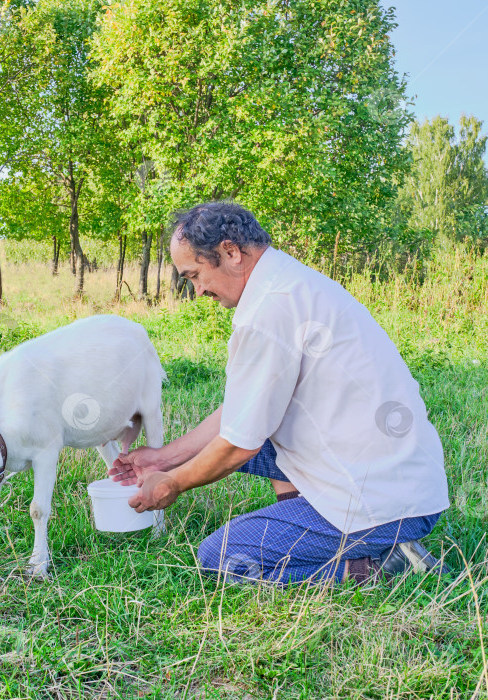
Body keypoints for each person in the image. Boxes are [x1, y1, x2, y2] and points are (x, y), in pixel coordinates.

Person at [109, 201, 450, 586]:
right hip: (398, 480)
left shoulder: (269, 310)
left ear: (230, 252)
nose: (198, 289)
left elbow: (239, 445)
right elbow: (241, 413)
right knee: (259, 438)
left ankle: (377, 566)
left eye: (195, 275)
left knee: (222, 558)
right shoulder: (288, 281)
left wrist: (171, 484)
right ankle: (329, 531)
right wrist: (162, 460)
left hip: (382, 501)